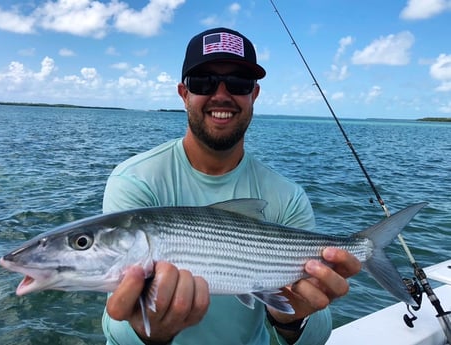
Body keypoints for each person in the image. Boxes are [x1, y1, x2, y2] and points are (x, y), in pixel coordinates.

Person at [101, 27, 361, 345]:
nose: (221, 94)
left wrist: (292, 318)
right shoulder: (134, 180)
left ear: (254, 94)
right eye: (203, 82)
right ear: (184, 94)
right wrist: (147, 331)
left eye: (238, 83)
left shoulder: (288, 197)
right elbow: (117, 326)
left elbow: (314, 338)